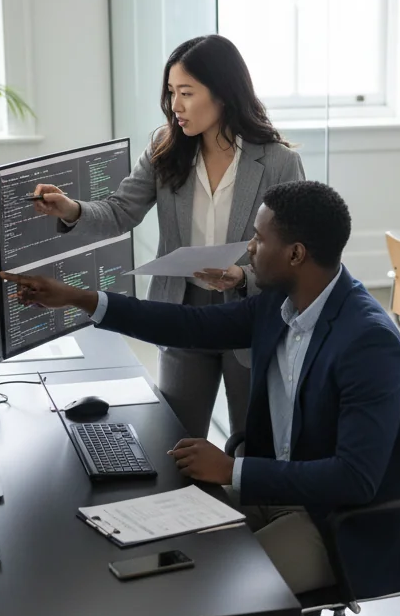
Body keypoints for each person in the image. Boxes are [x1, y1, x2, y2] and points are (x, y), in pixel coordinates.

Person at [3, 181, 400, 616]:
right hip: (278, 489)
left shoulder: (367, 340)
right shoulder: (281, 304)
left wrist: (232, 470)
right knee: (159, 553)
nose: (249, 248)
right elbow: (189, 326)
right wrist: (80, 298)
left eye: (259, 239)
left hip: (337, 521)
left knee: (213, 591)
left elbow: (355, 479)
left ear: (295, 254)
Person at [30, 34, 305, 438]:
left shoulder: (279, 162)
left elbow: (292, 253)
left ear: (223, 93)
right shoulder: (165, 148)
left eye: (187, 93)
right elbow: (121, 211)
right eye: (172, 92)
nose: (175, 105)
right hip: (181, 308)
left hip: (250, 310)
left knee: (252, 442)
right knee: (177, 438)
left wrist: (243, 276)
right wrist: (71, 209)